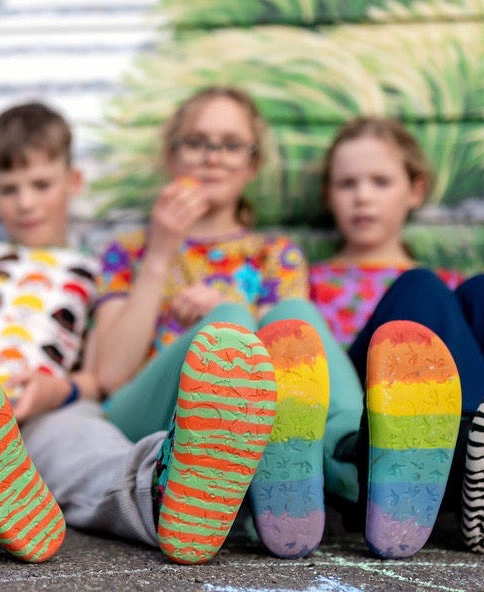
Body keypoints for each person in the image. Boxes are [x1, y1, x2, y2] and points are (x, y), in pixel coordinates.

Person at [0, 101, 274, 566]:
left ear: (73, 183)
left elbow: (99, 374)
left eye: (41, 185)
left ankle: (166, 489)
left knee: (89, 453)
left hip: (53, 405)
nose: (25, 202)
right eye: (10, 189)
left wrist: (59, 390)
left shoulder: (94, 271)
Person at [93, 86, 366, 559]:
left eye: (231, 144)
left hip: (256, 420)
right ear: (171, 155)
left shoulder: (274, 255)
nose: (212, 158)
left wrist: (231, 303)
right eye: (196, 142)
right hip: (143, 415)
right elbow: (109, 375)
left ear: (252, 163)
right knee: (232, 322)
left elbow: (296, 360)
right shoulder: (131, 250)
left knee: (295, 317)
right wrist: (160, 252)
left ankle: (350, 455)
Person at [309, 115, 484, 556]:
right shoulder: (306, 282)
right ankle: (480, 456)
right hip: (376, 433)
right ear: (329, 195)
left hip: (448, 425)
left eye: (380, 181)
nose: (362, 196)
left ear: (415, 190)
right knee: (418, 287)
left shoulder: (453, 288)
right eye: (347, 184)